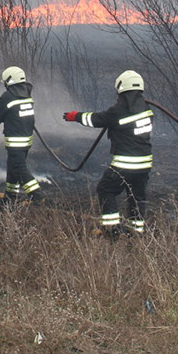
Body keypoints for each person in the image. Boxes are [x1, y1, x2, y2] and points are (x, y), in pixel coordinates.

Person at [63, 70, 152, 236]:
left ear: (121, 90)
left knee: (105, 189)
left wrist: (75, 116)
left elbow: (96, 119)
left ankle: (111, 229)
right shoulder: (147, 110)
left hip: (125, 164)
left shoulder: (117, 111)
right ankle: (136, 232)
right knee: (137, 197)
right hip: (145, 165)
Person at [0, 66, 40, 201]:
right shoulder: (27, 94)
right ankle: (10, 197)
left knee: (19, 169)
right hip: (26, 140)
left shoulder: (8, 96)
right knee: (12, 168)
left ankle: (36, 197)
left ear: (9, 80)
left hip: (15, 141)